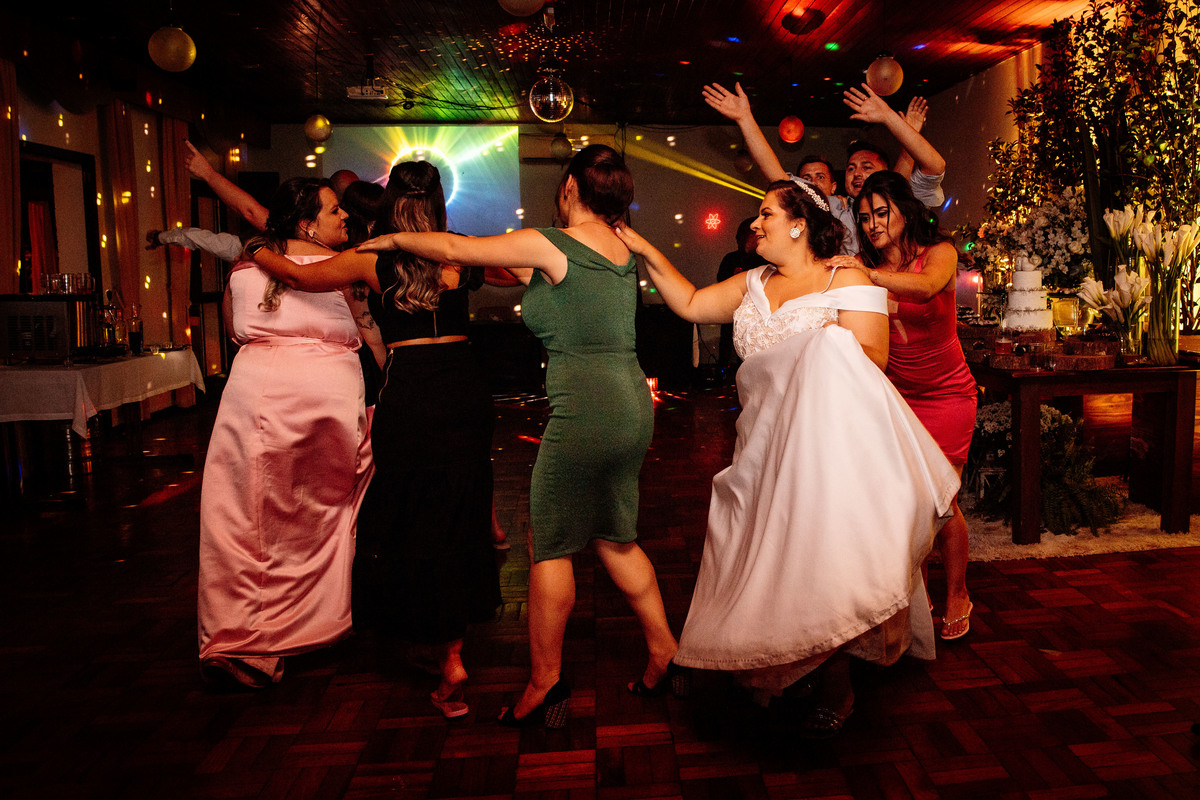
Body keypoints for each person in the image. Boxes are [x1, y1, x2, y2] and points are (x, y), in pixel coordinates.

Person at [612, 178, 959, 737]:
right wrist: (647, 249)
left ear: (799, 224)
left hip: (826, 453)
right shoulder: (752, 282)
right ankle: (780, 658)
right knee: (769, 562)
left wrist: (816, 347)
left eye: (766, 213)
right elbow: (693, 304)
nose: (755, 223)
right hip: (759, 447)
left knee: (822, 560)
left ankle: (836, 686)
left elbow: (872, 357)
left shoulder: (845, 275)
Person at [357, 144, 681, 729]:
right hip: (632, 403)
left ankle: (545, 683)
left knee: (548, 544)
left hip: (585, 410)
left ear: (569, 189)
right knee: (615, 536)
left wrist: (395, 239)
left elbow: (457, 248)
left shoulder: (552, 241)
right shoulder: (622, 245)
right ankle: (664, 651)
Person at [250, 160, 502, 718]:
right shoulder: (460, 250)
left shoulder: (374, 257)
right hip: (463, 389)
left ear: (391, 203)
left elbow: (298, 276)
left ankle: (430, 642)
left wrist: (257, 248)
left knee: (413, 516)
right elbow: (518, 267)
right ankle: (452, 649)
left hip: (411, 391)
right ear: (438, 204)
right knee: (459, 514)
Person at [197, 177, 373, 689]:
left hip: (252, 398)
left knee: (241, 520)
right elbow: (366, 331)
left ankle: (240, 639)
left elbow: (234, 330)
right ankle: (310, 625)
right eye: (335, 210)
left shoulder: (246, 266)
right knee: (319, 518)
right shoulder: (340, 269)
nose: (344, 217)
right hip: (326, 402)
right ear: (306, 224)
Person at [841, 170, 977, 641]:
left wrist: (867, 277)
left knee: (941, 500)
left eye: (882, 212)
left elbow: (926, 287)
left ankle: (957, 591)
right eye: (865, 217)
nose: (874, 223)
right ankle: (913, 598)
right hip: (896, 395)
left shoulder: (938, 253)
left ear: (904, 209)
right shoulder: (860, 262)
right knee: (903, 502)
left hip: (948, 395)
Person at [702, 82, 944, 253]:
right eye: (851, 168)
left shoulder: (903, 202)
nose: (857, 173)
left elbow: (934, 165)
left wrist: (889, 118)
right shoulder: (834, 210)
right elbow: (778, 177)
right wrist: (745, 119)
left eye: (866, 167)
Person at [715, 217, 767, 371]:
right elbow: (721, 281)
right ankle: (722, 370)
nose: (742, 241)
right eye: (740, 237)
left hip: (756, 312)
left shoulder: (764, 260)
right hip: (731, 309)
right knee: (726, 340)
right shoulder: (730, 258)